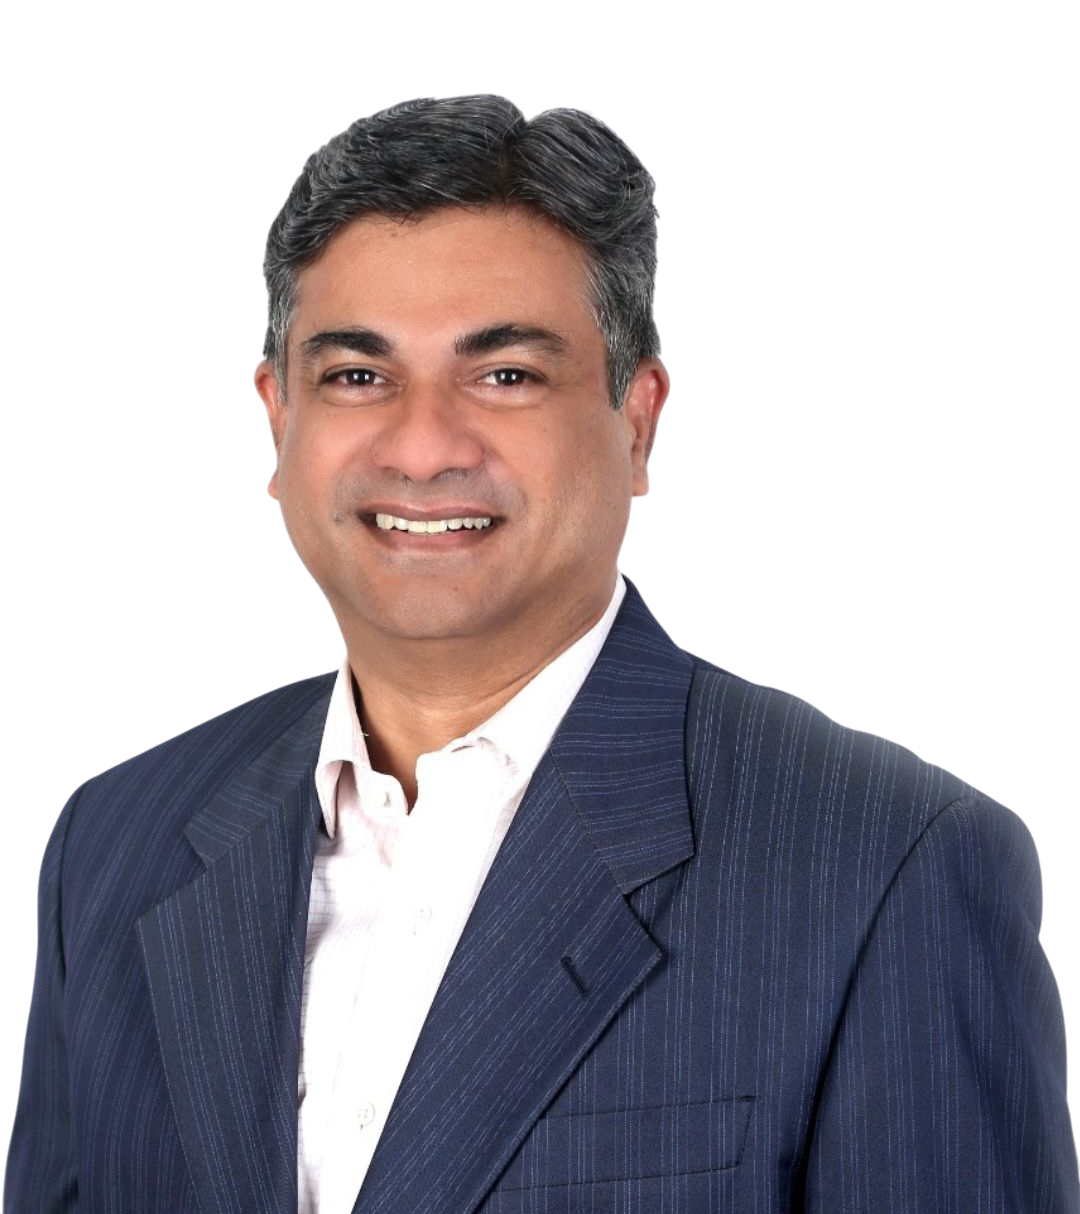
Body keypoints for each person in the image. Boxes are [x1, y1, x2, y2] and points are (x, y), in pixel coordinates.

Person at [5, 95, 1075, 1214]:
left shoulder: (889, 863)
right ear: (278, 420)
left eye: (505, 374)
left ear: (637, 422)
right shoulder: (114, 845)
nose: (423, 447)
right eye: (358, 375)